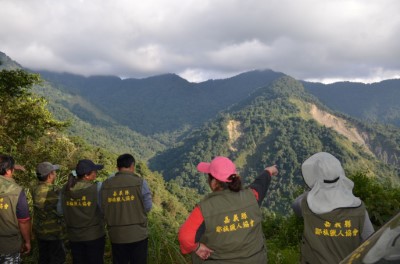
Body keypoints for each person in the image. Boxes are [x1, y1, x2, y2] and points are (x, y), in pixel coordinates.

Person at [178, 156, 278, 263]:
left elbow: (185, 237)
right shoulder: (253, 196)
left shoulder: (203, 209)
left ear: (213, 182)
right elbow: (260, 183)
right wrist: (269, 171)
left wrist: (197, 248)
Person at [291, 152, 375, 264]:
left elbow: (295, 205)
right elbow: (371, 241)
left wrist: (313, 191)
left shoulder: (306, 205)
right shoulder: (359, 209)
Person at [101, 153, 153, 264]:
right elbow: (148, 206)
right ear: (132, 166)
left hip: (116, 235)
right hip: (138, 234)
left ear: (118, 167)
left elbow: (102, 208)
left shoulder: (105, 185)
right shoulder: (140, 182)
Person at [60, 159, 106, 264]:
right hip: (94, 236)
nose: (96, 173)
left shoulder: (65, 189)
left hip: (74, 237)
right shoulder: (96, 188)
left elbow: (60, 210)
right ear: (86, 175)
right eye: (94, 171)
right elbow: (104, 210)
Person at [0, 154, 31, 264]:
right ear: (9, 171)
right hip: (8, 246)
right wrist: (27, 241)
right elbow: (23, 221)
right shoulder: (16, 191)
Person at [32, 162, 66, 264]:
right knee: (56, 259)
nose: (55, 174)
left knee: (44, 258)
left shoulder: (35, 189)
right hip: (54, 232)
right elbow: (62, 210)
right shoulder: (55, 191)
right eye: (54, 172)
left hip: (40, 231)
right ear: (50, 175)